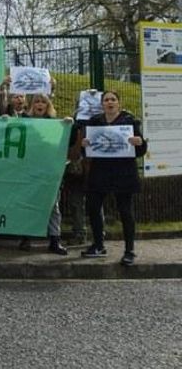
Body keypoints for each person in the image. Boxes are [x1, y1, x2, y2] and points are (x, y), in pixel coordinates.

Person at [80, 90, 147, 266]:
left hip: (123, 171)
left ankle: (129, 250)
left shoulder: (130, 121)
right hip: (100, 171)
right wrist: (84, 145)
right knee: (93, 207)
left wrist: (139, 142)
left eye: (113, 99)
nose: (110, 102)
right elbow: (86, 149)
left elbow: (141, 150)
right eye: (106, 100)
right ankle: (98, 245)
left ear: (119, 103)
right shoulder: (95, 122)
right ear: (102, 104)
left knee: (125, 211)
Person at [18, 93, 68, 255]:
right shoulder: (23, 121)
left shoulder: (55, 124)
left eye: (43, 102)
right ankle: (26, 237)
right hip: (29, 170)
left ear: (48, 105)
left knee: (53, 206)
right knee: (28, 203)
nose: (40, 105)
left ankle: (55, 239)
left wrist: (68, 126)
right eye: (37, 102)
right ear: (32, 105)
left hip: (49, 171)